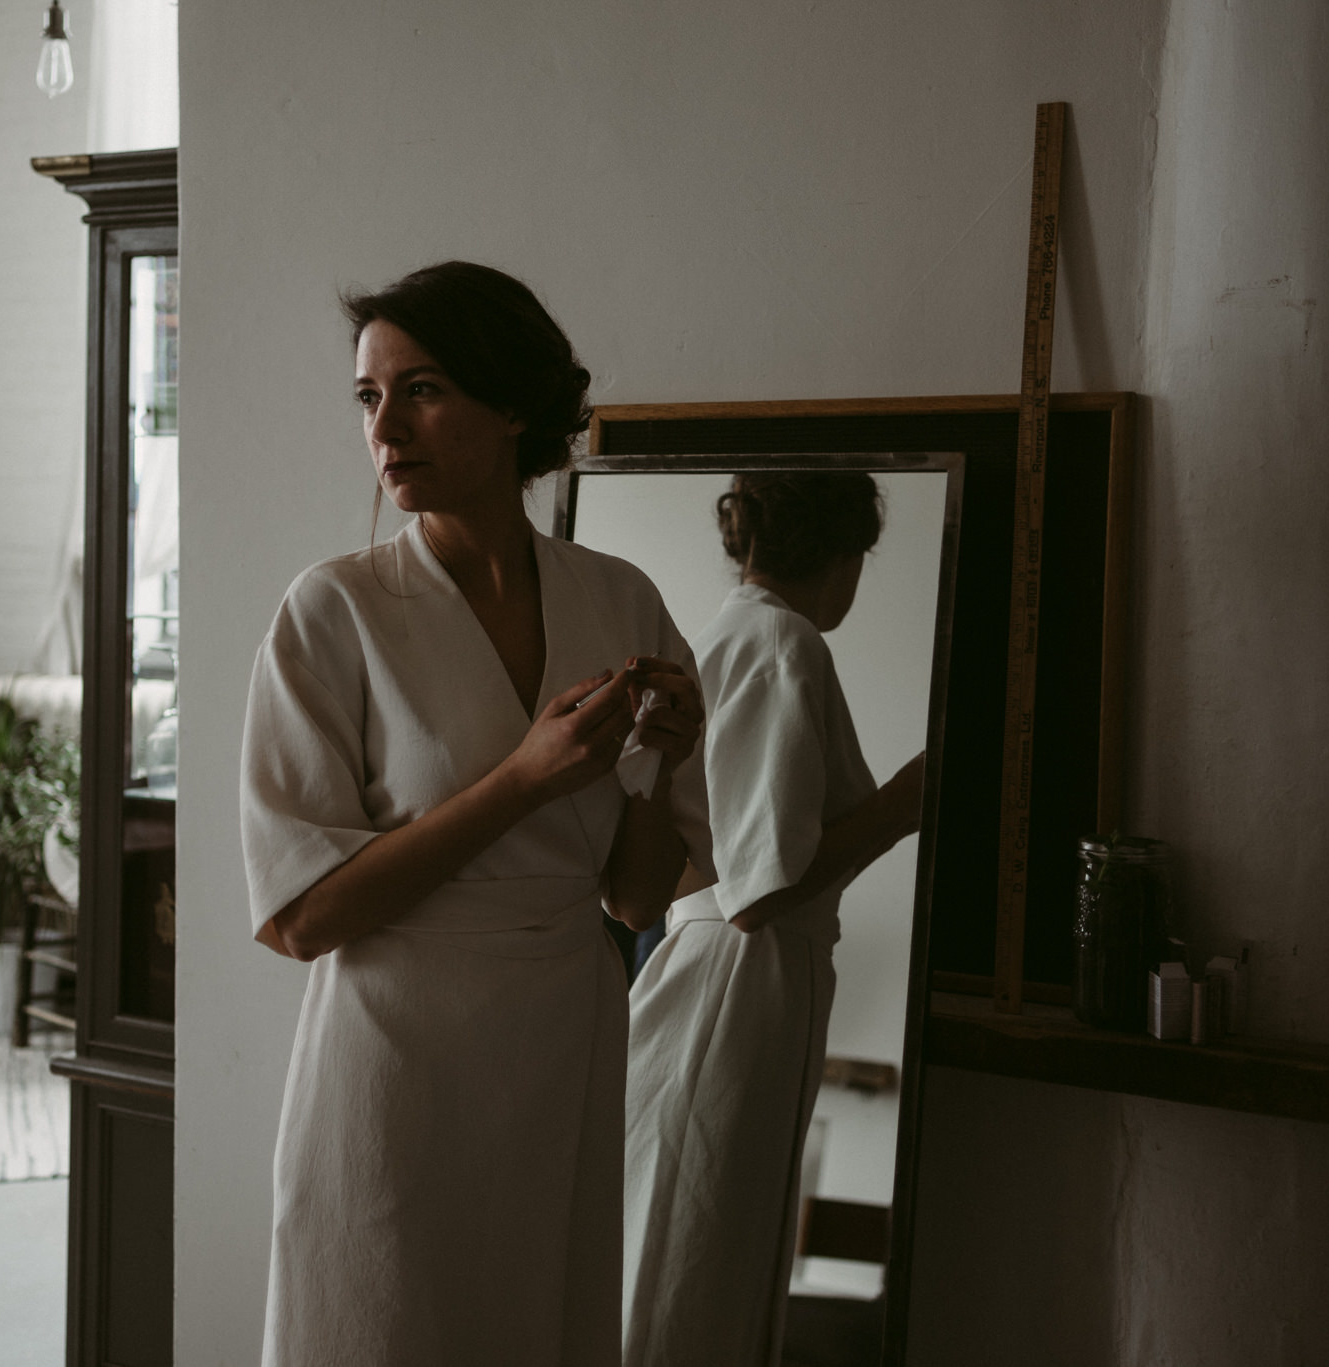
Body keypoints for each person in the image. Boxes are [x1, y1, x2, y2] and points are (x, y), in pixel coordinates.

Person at [241, 261, 716, 1367]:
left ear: (512, 405)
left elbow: (635, 894)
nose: (386, 426)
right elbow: (299, 919)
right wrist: (519, 780)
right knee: (384, 1323)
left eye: (422, 389)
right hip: (395, 1060)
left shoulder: (619, 597)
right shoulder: (335, 608)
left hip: (566, 1035)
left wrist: (664, 761)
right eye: (368, 396)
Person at [620, 472, 925, 1367]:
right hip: (737, 980)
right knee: (696, 1257)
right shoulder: (782, 641)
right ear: (841, 555)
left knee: (682, 1244)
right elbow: (759, 892)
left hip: (719, 969)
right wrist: (905, 802)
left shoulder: (724, 636)